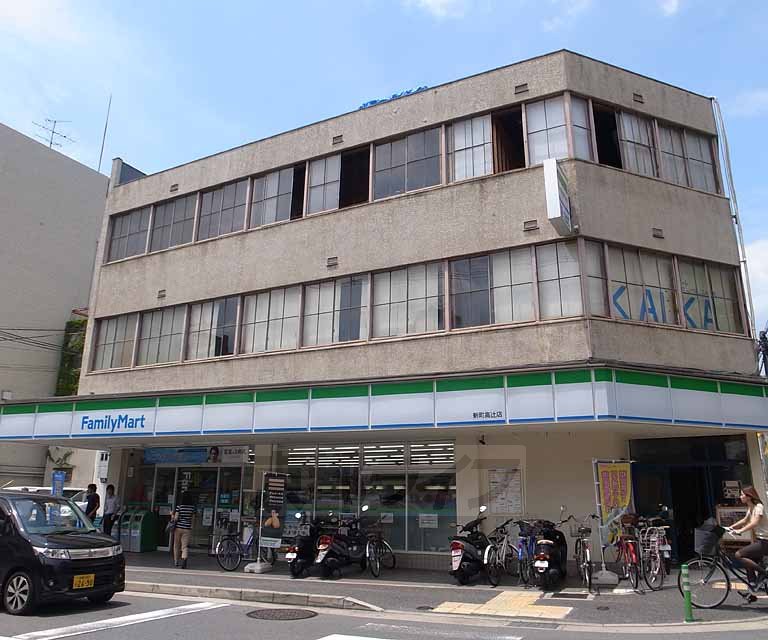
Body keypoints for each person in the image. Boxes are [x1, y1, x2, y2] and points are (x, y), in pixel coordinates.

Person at [730, 486, 768, 603]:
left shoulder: (759, 507)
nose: (740, 496)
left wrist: (740, 531)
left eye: (742, 494)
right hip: (760, 540)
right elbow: (745, 520)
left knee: (739, 555)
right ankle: (753, 586)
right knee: (747, 558)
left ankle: (764, 573)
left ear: (749, 496)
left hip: (765, 541)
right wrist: (730, 527)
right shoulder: (751, 508)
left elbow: (754, 522)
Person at [172, 492, 196, 569]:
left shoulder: (179, 507)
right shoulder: (192, 508)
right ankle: (184, 559)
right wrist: (191, 526)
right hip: (187, 529)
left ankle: (176, 561)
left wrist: (172, 515)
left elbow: (176, 518)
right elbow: (193, 519)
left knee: (176, 545)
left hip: (178, 528)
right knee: (184, 546)